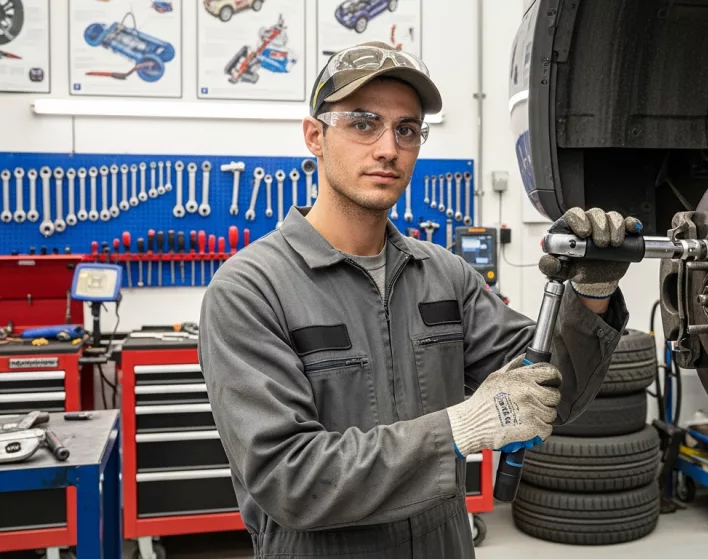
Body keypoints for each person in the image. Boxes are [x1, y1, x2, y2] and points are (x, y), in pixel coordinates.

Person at [197, 41, 642, 558]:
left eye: (406, 130)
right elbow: (289, 478)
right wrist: (462, 427)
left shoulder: (444, 275)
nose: (388, 148)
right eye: (363, 123)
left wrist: (591, 291)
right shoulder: (250, 290)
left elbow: (550, 393)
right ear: (315, 136)